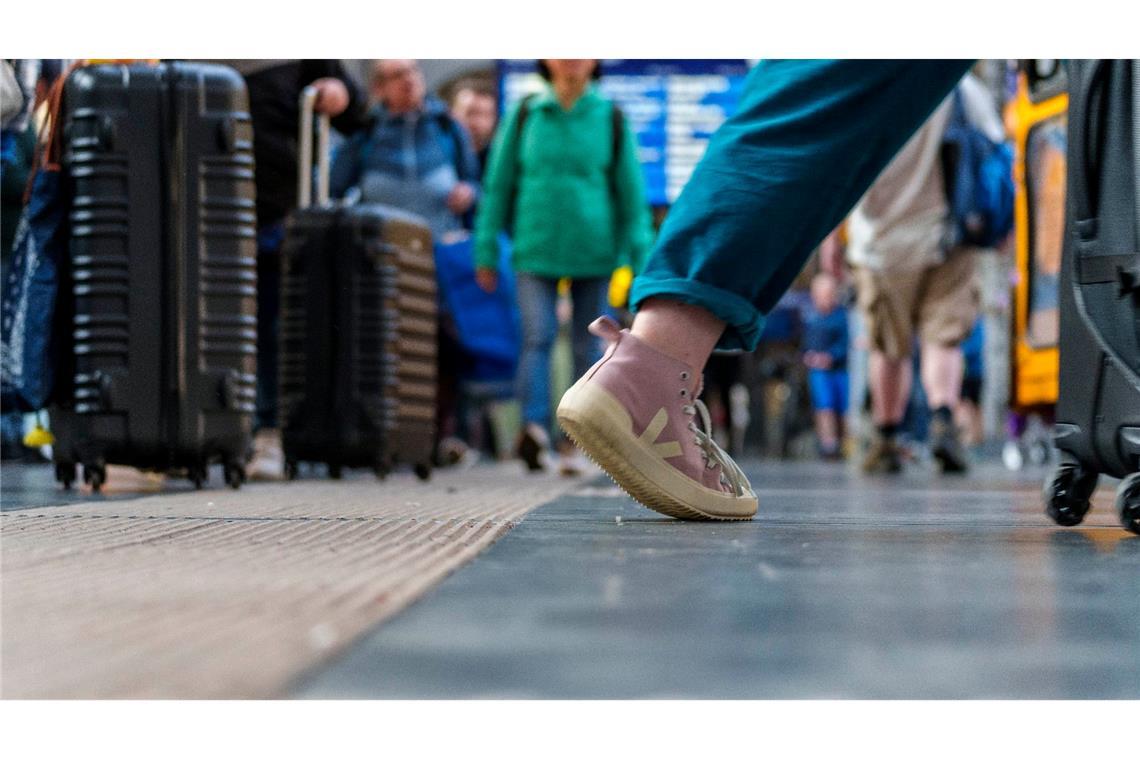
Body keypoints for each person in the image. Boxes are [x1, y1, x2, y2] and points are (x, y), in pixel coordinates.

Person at [556, 60, 975, 520]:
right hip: (938, 234)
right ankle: (655, 362)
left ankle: (651, 358)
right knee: (824, 92)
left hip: (887, 243)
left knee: (817, 93)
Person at [474, 59, 654, 476]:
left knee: (586, 346)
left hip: (595, 253)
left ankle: (576, 439)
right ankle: (533, 432)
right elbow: (498, 188)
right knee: (536, 338)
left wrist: (641, 260)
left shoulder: (610, 118)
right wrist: (485, 249)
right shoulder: (524, 115)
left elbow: (631, 197)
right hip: (534, 249)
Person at [205, 60, 370, 480]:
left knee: (273, 328)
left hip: (278, 210)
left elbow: (356, 113)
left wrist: (338, 93)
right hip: (208, 207)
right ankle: (208, 430)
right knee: (216, 324)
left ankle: (269, 433)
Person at [847, 71, 1003, 475]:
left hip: (881, 242)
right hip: (950, 233)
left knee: (889, 347)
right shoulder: (961, 87)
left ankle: (885, 437)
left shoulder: (866, 85)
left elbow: (840, 172)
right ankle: (943, 423)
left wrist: (831, 245)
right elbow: (995, 153)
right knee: (943, 340)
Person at [329, 59, 481, 239]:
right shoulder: (365, 132)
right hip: (382, 252)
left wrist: (469, 193)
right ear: (379, 88)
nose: (409, 79)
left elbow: (476, 184)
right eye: (398, 75)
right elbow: (334, 191)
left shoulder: (447, 126)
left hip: (440, 249)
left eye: (413, 70)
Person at [802, 272, 849, 460]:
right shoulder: (812, 317)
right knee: (824, 407)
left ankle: (844, 442)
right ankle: (828, 443)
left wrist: (831, 356)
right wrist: (809, 356)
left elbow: (845, 343)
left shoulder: (841, 317)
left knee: (842, 408)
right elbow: (806, 342)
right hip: (819, 371)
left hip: (840, 370)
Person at [449, 79, 498, 178]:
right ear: (452, 114)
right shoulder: (439, 155)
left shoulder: (498, 157)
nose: (478, 123)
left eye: (486, 115)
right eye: (471, 113)